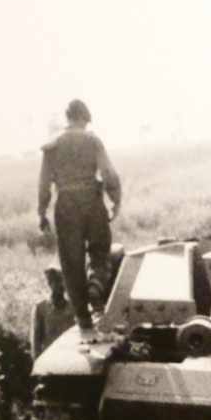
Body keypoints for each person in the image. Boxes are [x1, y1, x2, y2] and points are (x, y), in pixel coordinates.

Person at [38, 99, 122, 343]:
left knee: (72, 262)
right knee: (100, 250)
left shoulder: (52, 146)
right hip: (92, 201)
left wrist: (41, 212)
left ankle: (84, 320)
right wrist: (115, 200)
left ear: (67, 118)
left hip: (66, 204)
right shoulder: (93, 141)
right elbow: (108, 174)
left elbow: (44, 185)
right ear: (85, 118)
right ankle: (96, 283)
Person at [30, 263, 76, 358]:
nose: (61, 285)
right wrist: (37, 363)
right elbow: (36, 341)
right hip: (49, 359)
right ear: (50, 283)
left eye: (63, 281)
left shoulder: (73, 308)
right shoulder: (41, 308)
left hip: (69, 358)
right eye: (57, 281)